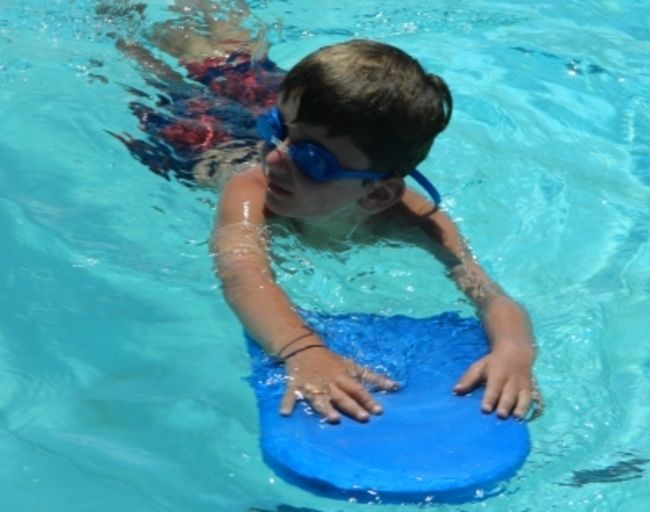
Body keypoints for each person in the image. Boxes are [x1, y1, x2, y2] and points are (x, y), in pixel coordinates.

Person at [110, 1, 542, 424]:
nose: (275, 159)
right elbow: (242, 274)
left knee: (211, 67)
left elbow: (489, 293)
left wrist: (514, 349)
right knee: (185, 69)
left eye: (313, 160)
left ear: (377, 195)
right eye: (277, 132)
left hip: (291, 122)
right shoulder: (249, 189)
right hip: (201, 143)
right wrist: (304, 350)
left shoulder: (413, 218)